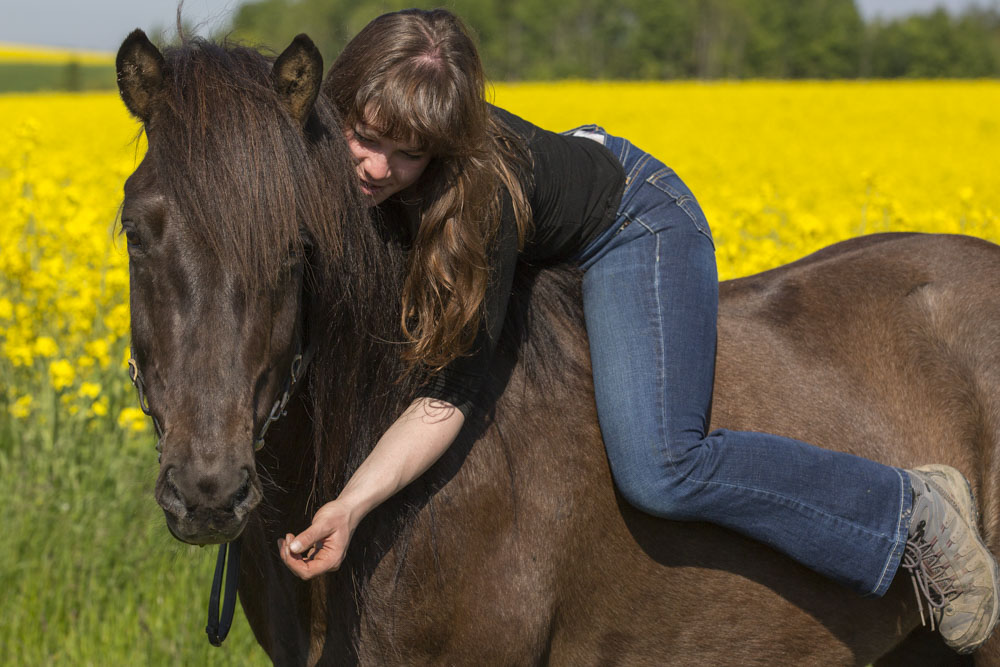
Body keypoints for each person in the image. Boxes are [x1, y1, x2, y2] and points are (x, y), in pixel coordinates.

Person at [277, 8, 1000, 653]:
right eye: (364, 138)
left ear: (445, 148)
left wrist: (351, 503)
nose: (376, 166)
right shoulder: (324, 151)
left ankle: (908, 512)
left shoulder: (477, 198)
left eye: (408, 154)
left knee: (664, 467)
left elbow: (452, 389)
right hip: (552, 199)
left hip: (634, 220)